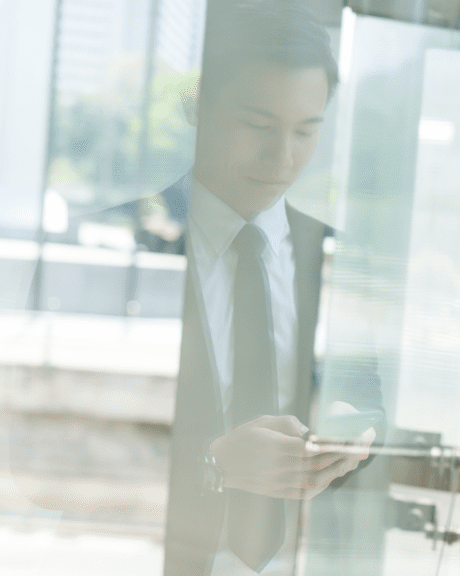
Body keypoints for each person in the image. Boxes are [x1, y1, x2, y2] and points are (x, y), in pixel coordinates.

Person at [142, 3, 384, 575]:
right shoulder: (141, 244)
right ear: (199, 109)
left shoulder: (339, 257)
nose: (282, 159)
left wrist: (355, 434)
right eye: (257, 126)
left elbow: (372, 402)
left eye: (306, 131)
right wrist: (213, 462)